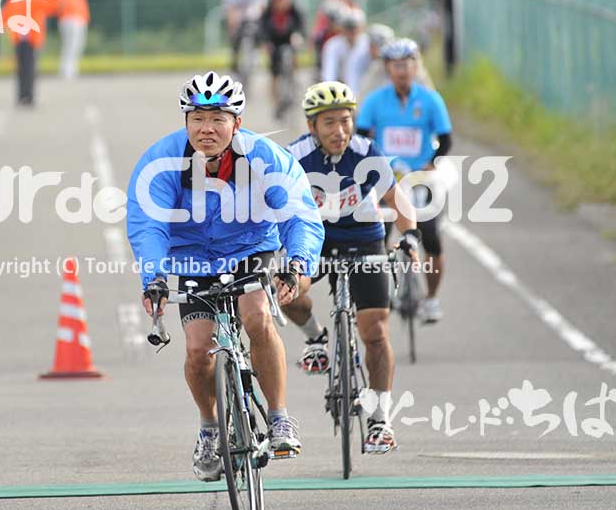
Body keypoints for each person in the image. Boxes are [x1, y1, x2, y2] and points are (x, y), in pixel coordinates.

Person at [126, 71, 325, 482]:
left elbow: (298, 213)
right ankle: (209, 428)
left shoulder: (264, 157)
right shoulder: (162, 162)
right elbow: (148, 225)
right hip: (191, 258)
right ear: (185, 122)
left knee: (257, 317)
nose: (207, 129)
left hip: (250, 247)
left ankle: (279, 417)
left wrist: (296, 263)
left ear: (237, 123)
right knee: (199, 350)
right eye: (197, 118)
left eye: (218, 119)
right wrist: (154, 277)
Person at [282, 81, 421, 455]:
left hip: (363, 237)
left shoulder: (366, 151)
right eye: (329, 122)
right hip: (313, 238)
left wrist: (410, 237)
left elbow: (396, 198)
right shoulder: (294, 156)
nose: (339, 131)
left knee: (374, 330)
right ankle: (316, 338)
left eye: (345, 121)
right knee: (286, 291)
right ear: (312, 126)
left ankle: (380, 420)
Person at [356, 39, 452, 324]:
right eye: (397, 65)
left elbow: (445, 139)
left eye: (408, 64)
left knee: (430, 235)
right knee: (378, 236)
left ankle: (431, 298)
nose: (403, 71)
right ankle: (382, 293)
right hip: (387, 180)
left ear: (416, 66)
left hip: (420, 177)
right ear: (387, 68)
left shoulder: (431, 100)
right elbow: (360, 138)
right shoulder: (374, 100)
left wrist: (430, 163)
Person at [0, 0, 59, 106]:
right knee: (30, 69)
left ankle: (22, 96)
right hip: (31, 38)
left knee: (21, 69)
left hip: (18, 38)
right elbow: (53, 7)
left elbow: (4, 14)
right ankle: (29, 96)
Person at [259, 0, 304, 119]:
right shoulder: (268, 12)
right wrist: (265, 43)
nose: (281, 3)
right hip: (274, 42)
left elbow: (301, 27)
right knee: (274, 73)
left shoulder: (295, 11)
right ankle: (276, 102)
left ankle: (294, 78)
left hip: (289, 39)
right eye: (278, 0)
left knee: (294, 53)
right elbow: (262, 30)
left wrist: (298, 36)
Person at [220, 0, 267, 74]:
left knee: (258, 27)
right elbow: (229, 8)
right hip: (237, 14)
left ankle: (257, 49)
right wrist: (232, 23)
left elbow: (262, 5)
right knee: (234, 35)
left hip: (253, 13)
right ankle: (235, 58)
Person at [57, 0, 90, 80]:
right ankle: (68, 71)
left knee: (72, 46)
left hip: (72, 19)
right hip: (73, 20)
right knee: (72, 46)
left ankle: (69, 70)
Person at [320, 8, 367, 91]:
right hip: (342, 90)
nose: (351, 31)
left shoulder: (368, 45)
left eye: (354, 27)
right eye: (348, 27)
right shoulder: (333, 45)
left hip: (366, 89)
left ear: (362, 27)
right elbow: (329, 73)